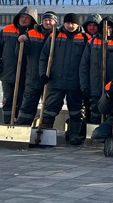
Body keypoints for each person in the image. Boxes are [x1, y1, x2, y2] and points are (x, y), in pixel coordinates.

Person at [39, 13, 89, 145]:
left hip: (75, 82)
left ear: (78, 24)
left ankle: (74, 135)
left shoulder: (85, 38)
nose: (70, 25)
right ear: (64, 23)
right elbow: (44, 57)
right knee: (50, 108)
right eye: (67, 23)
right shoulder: (54, 36)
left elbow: (89, 61)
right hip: (56, 81)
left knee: (76, 110)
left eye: (73, 23)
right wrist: (43, 73)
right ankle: (44, 133)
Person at [0, 6, 38, 124]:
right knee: (8, 100)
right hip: (8, 72)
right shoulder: (7, 30)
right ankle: (8, 123)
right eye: (22, 17)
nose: (24, 20)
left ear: (32, 20)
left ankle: (21, 125)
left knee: (24, 101)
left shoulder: (35, 33)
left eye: (27, 18)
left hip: (27, 74)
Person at [79, 17, 113, 124]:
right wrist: (84, 84)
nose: (107, 30)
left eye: (110, 27)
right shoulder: (92, 42)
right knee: (95, 112)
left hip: (112, 85)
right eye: (105, 27)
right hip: (95, 85)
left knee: (111, 113)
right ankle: (95, 136)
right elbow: (84, 65)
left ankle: (108, 134)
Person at [15, 11, 55, 125]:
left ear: (55, 22)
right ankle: (21, 129)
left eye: (50, 20)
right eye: (45, 20)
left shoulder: (59, 35)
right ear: (41, 21)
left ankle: (44, 130)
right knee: (27, 106)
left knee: (48, 108)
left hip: (51, 79)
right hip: (33, 76)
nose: (47, 22)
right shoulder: (31, 33)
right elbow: (20, 54)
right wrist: (21, 42)